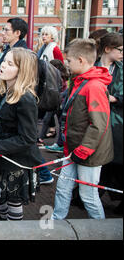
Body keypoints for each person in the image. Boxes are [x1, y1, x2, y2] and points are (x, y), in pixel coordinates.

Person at [52, 38, 113, 220]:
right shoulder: (80, 82)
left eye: (69, 61)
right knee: (63, 187)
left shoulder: (94, 86)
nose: (67, 65)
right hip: (74, 149)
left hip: (88, 153)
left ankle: (102, 231)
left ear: (81, 60)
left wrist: (84, 149)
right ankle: (57, 221)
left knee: (88, 196)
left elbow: (99, 124)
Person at [0, 48, 42, 221]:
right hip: (2, 157)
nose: (3, 66)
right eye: (4, 61)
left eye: (10, 64)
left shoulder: (25, 99)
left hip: (17, 162)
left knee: (13, 204)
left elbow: (27, 138)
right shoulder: (5, 93)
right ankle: (5, 227)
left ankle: (13, 232)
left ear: (22, 71)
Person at [96, 32, 123, 214]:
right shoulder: (92, 66)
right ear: (108, 49)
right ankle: (91, 195)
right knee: (97, 161)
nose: (122, 53)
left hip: (117, 123)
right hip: (96, 120)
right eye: (120, 50)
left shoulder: (121, 70)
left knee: (117, 162)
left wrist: (115, 98)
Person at [0, 18, 28, 111]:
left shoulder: (23, 54)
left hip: (12, 101)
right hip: (2, 97)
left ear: (17, 33)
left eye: (6, 30)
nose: (3, 33)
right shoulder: (8, 49)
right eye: (3, 29)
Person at [44, 59, 70, 154]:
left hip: (60, 103)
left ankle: (60, 144)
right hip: (59, 102)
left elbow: (60, 91)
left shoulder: (60, 77)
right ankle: (60, 143)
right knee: (58, 122)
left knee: (59, 122)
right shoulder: (58, 76)